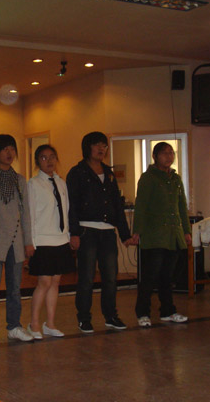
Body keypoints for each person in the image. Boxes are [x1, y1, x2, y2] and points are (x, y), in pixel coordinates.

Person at [66, 131, 131, 334]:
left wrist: (125, 234)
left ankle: (111, 316)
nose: (101, 149)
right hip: (87, 231)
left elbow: (117, 205)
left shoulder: (109, 173)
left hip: (108, 232)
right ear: (88, 147)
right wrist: (74, 232)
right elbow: (71, 205)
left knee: (110, 277)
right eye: (97, 145)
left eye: (104, 145)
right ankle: (84, 318)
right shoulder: (77, 172)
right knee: (86, 278)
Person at [0, 134, 34, 347]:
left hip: (16, 241)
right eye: (4, 149)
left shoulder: (20, 180)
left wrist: (28, 241)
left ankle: (14, 327)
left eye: (12, 149)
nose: (9, 153)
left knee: (15, 288)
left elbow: (26, 213)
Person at [128, 142, 191, 327]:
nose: (169, 156)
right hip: (154, 235)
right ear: (155, 156)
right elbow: (141, 206)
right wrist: (137, 231)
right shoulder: (148, 178)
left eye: (171, 153)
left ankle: (168, 311)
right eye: (164, 153)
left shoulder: (176, 179)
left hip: (173, 235)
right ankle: (142, 313)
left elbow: (182, 206)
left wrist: (186, 231)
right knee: (150, 277)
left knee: (168, 277)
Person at [26, 144, 73, 339]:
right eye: (44, 158)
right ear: (38, 162)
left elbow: (66, 211)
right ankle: (34, 324)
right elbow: (29, 214)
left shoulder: (61, 183)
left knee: (55, 281)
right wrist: (30, 242)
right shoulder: (33, 184)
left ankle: (50, 324)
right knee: (44, 282)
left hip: (60, 238)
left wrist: (68, 236)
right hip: (42, 240)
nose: (49, 161)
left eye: (52, 157)